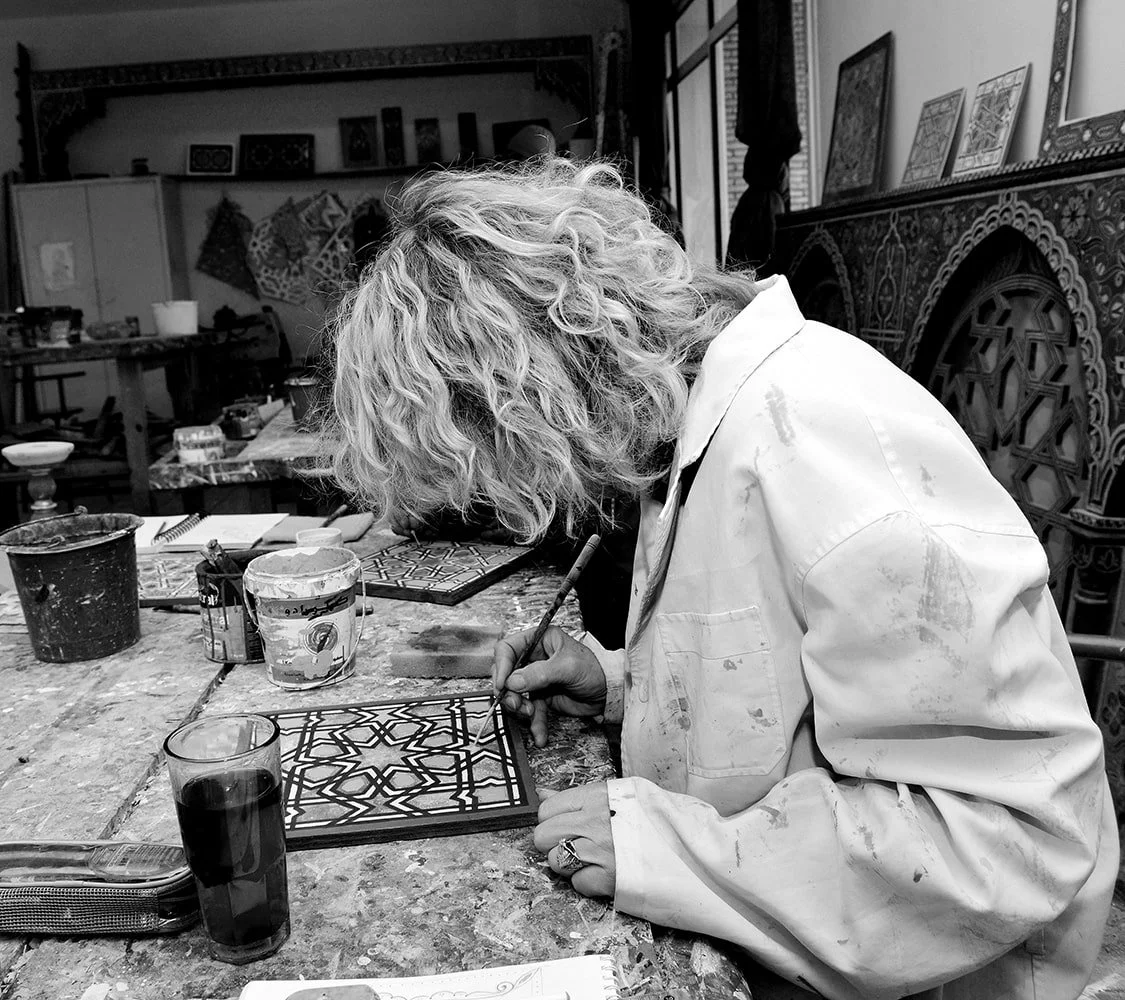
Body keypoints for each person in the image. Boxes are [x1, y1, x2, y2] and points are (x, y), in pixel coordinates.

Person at [329, 157, 1118, 1000]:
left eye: (496, 456)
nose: (519, 495)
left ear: (530, 387)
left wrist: (666, 847)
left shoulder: (821, 441)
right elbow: (796, 677)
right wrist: (619, 681)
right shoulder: (699, 419)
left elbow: (1005, 838)